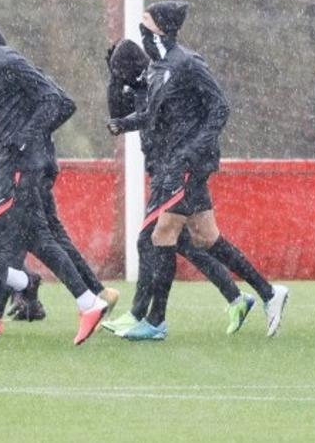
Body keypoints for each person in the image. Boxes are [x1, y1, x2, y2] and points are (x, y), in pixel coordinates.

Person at [108, 1, 288, 340]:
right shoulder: (159, 67)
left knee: (159, 236)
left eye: (146, 23)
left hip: (186, 164)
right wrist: (123, 124)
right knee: (206, 237)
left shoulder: (188, 63)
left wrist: (193, 149)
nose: (141, 31)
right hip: (171, 163)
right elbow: (151, 115)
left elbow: (220, 107)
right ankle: (267, 292)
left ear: (162, 26)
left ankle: (155, 322)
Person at [0, 5, 108, 346]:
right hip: (5, 165)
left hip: (21, 166)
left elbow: (60, 102)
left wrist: (23, 138)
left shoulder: (7, 61)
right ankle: (89, 303)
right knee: (40, 240)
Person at [98, 38, 252, 336]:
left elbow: (173, 120)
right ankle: (238, 296)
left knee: (152, 240)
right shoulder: (142, 85)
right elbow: (117, 113)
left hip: (175, 171)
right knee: (188, 243)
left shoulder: (159, 81)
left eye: (121, 70)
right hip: (165, 170)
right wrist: (113, 80)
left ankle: (144, 315)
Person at [0, 25, 116, 322]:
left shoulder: (17, 75)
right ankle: (28, 303)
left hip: (30, 168)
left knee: (24, 238)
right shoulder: (4, 78)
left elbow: (62, 104)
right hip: (29, 166)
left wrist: (28, 138)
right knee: (32, 237)